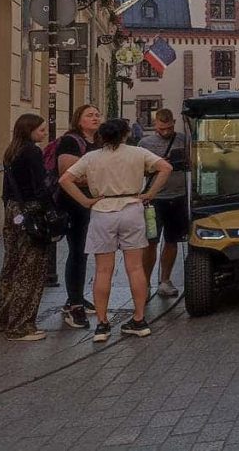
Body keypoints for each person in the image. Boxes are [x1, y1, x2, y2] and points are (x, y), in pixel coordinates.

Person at [59, 119, 172, 343]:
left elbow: (65, 179)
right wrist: (150, 194)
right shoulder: (137, 152)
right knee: (135, 267)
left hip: (103, 210)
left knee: (103, 270)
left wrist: (85, 201)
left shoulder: (92, 157)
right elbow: (166, 167)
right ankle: (139, 319)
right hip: (131, 207)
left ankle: (102, 324)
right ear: (125, 134)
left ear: (102, 136)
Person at [0, 115, 51, 342]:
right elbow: (40, 187)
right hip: (30, 212)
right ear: (29, 130)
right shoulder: (32, 152)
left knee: (11, 265)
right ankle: (20, 325)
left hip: (12, 210)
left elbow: (8, 190)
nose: (45, 133)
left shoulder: (11, 151)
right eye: (41, 129)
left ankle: (3, 318)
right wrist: (50, 211)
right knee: (30, 268)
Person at [56, 104, 102, 330]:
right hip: (73, 204)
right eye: (89, 115)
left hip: (91, 203)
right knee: (76, 252)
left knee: (83, 252)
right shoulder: (70, 141)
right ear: (79, 120)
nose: (95, 118)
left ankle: (76, 296)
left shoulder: (99, 141)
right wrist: (96, 177)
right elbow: (67, 174)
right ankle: (74, 305)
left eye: (97, 115)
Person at [139, 109, 188, 298]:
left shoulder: (183, 140)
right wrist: (158, 165)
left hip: (178, 196)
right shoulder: (145, 143)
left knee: (172, 240)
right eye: (161, 128)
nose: (165, 132)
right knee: (150, 241)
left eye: (168, 128)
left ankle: (165, 280)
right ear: (155, 124)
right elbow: (140, 170)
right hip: (155, 200)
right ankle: (144, 281)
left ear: (174, 123)